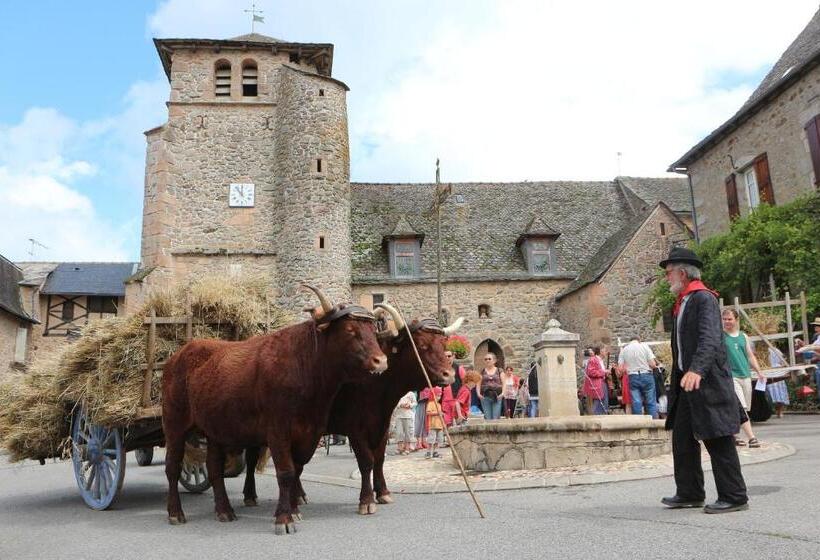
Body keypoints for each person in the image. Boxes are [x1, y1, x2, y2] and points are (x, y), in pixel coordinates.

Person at [660, 247, 748, 514]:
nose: (667, 278)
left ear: (682, 273)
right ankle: (689, 492)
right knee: (683, 439)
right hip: (687, 384)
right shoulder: (684, 302)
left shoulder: (703, 299)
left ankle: (735, 496)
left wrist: (697, 369)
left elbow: (710, 338)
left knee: (718, 438)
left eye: (669, 273)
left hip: (707, 382)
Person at [720, 308, 761, 448]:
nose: (727, 322)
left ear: (736, 320)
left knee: (745, 408)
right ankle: (752, 438)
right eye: (724, 319)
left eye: (729, 319)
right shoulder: (720, 336)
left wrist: (759, 371)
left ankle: (733, 435)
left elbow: (750, 355)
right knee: (741, 407)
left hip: (745, 375)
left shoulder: (743, 336)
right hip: (731, 376)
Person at [618, 336, 659, 418]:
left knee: (636, 402)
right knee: (650, 401)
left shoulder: (624, 350)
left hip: (632, 376)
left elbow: (620, 369)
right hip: (646, 375)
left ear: (630, 341)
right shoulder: (644, 346)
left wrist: (630, 367)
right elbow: (652, 364)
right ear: (639, 340)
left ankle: (639, 424)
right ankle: (653, 424)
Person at [441, 350, 466, 426]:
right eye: (445, 356)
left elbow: (465, 384)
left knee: (459, 423)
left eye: (449, 356)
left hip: (456, 400)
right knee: (447, 424)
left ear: (453, 356)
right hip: (445, 400)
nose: (447, 358)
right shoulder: (441, 369)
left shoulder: (459, 368)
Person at [582, 346, 608, 415]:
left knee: (603, 403)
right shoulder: (593, 359)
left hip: (601, 383)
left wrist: (606, 373)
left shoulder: (600, 360)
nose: (606, 352)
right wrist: (604, 372)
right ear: (601, 351)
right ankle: (595, 420)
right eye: (605, 351)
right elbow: (591, 372)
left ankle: (601, 419)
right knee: (598, 403)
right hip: (597, 384)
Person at [766, 346, 790, 418]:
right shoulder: (776, 350)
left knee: (770, 393)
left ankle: (774, 411)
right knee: (780, 393)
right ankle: (780, 412)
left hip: (769, 371)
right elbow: (783, 360)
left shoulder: (762, 351)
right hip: (778, 371)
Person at [479, 353, 503, 420]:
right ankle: (488, 431)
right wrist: (478, 394)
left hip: (497, 396)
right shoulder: (482, 371)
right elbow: (478, 383)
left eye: (489, 359)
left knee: (495, 417)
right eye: (486, 359)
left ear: (494, 360)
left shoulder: (499, 370)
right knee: (488, 417)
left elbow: (504, 383)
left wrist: (503, 393)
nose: (487, 360)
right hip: (485, 396)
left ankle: (496, 430)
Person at [425, 387, 444, 458]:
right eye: (437, 395)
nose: (439, 397)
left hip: (439, 425)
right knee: (431, 439)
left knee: (438, 440)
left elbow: (440, 413)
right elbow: (428, 412)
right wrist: (437, 413)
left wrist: (441, 414)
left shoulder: (439, 405)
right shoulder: (431, 403)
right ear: (433, 395)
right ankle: (428, 452)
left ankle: (435, 452)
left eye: (440, 396)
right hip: (433, 425)